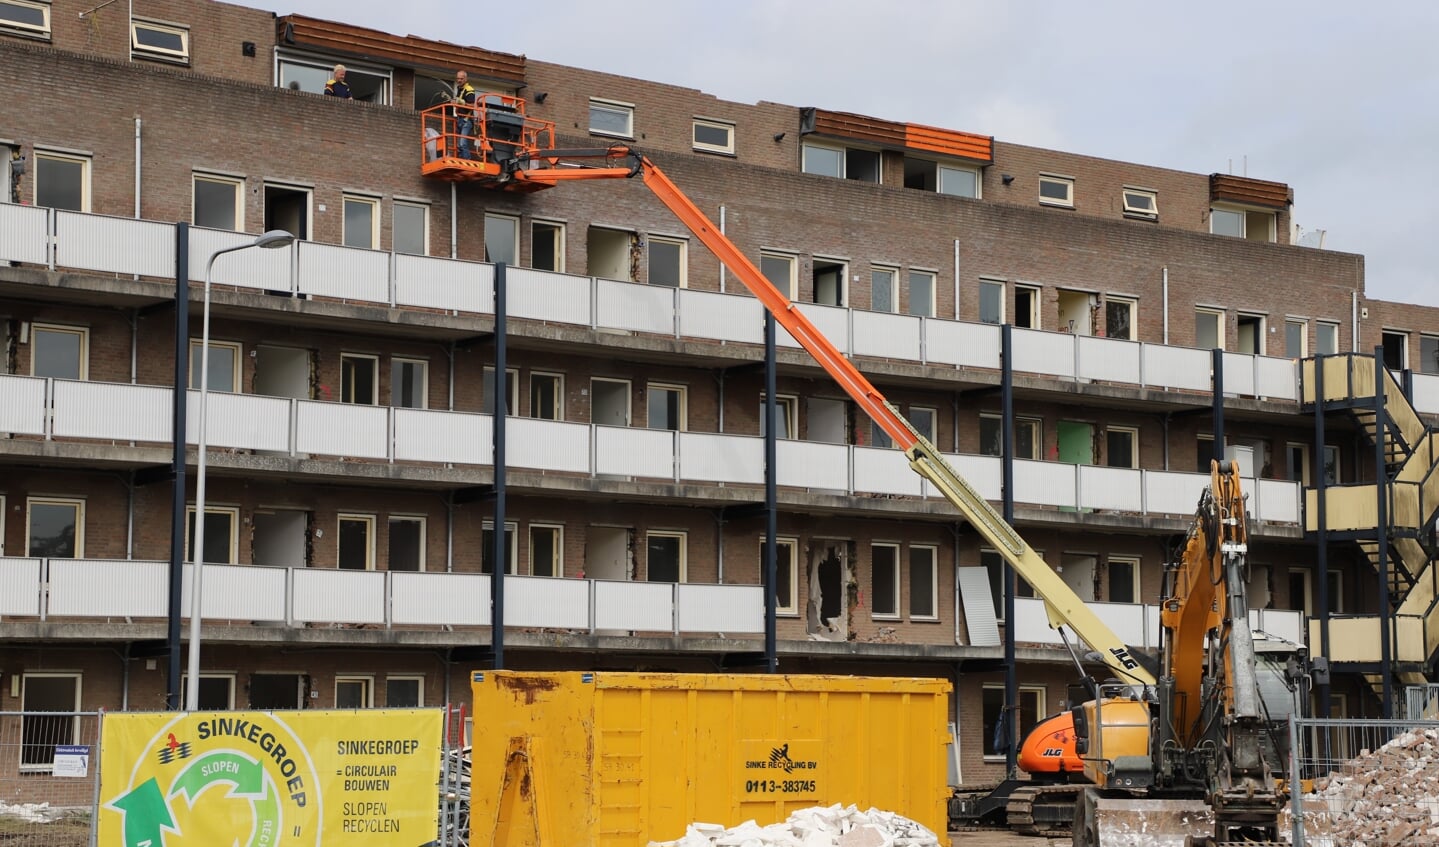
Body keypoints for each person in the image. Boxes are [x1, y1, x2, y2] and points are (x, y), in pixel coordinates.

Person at [451, 70, 477, 159]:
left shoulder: (469, 90)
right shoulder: (460, 89)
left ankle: (467, 160)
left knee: (462, 143)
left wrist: (461, 102)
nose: (459, 80)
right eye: (458, 78)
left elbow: (472, 106)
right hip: (460, 119)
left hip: (466, 120)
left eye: (461, 79)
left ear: (466, 79)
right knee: (459, 144)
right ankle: (461, 159)